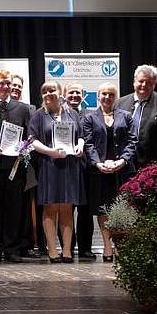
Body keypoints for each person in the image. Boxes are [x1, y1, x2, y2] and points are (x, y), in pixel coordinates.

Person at [29, 81, 85, 263]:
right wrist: (49, 151)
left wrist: (80, 146)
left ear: (60, 93)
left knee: (67, 208)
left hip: (70, 166)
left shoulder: (72, 113)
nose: (48, 94)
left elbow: (81, 136)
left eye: (52, 90)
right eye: (44, 91)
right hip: (49, 165)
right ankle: (53, 251)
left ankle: (67, 251)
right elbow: (32, 140)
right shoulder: (38, 115)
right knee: (50, 207)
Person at [83, 83, 137, 262]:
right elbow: (88, 144)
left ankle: (119, 246)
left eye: (111, 94)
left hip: (122, 172)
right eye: (104, 94)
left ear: (116, 97)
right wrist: (98, 163)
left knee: (121, 209)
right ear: (98, 96)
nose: (107, 97)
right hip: (100, 172)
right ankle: (107, 246)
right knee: (103, 210)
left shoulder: (127, 116)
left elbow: (132, 142)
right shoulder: (90, 117)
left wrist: (122, 161)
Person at [0, 70, 31, 263]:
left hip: (15, 167)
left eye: (8, 83)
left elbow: (30, 136)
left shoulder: (23, 108)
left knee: (14, 209)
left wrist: (24, 148)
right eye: (1, 83)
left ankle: (12, 248)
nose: (5, 86)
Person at [9, 73, 43, 257]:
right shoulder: (0, 108)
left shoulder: (30, 109)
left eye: (18, 86)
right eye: (12, 85)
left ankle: (26, 243)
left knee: (25, 204)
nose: (15, 88)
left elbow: (33, 134)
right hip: (5, 160)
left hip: (26, 162)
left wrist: (25, 150)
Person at [63, 83, 95, 259]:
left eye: (78, 92)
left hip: (86, 168)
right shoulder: (58, 114)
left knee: (85, 210)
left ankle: (85, 248)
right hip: (65, 168)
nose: (74, 95)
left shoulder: (91, 114)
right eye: (71, 92)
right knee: (67, 209)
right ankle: (68, 247)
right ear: (64, 95)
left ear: (83, 95)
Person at [116, 64, 157, 169]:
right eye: (141, 81)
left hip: (154, 167)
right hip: (123, 165)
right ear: (134, 82)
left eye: (149, 82)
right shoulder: (119, 104)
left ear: (154, 84)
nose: (144, 85)